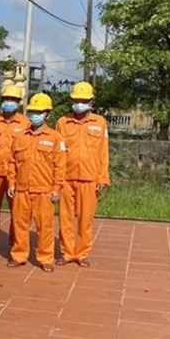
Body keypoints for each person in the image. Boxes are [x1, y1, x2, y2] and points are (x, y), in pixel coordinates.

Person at [7, 92, 66, 273]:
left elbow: (60, 166)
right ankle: (19, 255)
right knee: (19, 224)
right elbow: (11, 162)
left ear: (47, 114)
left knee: (45, 227)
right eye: (32, 111)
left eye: (39, 112)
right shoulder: (20, 137)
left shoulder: (56, 138)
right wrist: (11, 182)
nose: (35, 115)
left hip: (44, 190)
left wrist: (56, 188)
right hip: (22, 189)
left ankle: (45, 258)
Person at [55, 81, 110, 267]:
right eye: (76, 100)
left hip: (90, 179)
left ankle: (82, 253)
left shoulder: (100, 123)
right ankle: (67, 253)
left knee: (85, 219)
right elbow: (57, 153)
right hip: (66, 179)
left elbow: (104, 152)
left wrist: (102, 177)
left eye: (83, 100)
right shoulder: (62, 123)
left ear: (91, 101)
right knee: (65, 218)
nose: (79, 103)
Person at [0, 85, 30, 251]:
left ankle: (15, 241)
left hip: (16, 174)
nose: (9, 102)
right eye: (6, 99)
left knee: (17, 211)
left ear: (19, 102)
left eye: (13, 99)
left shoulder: (25, 123)